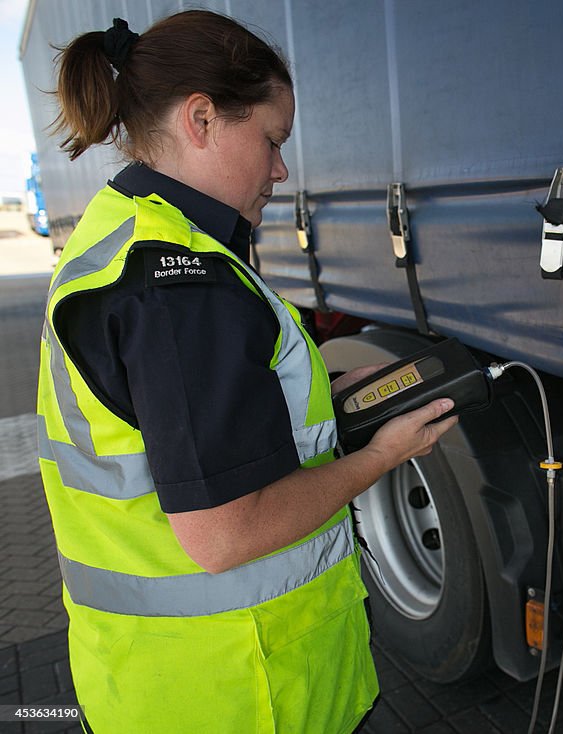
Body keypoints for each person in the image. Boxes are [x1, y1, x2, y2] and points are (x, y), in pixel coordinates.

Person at [37, 11, 457, 733]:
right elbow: (225, 535)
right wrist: (383, 457)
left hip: (163, 682)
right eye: (272, 140)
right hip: (243, 693)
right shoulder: (181, 287)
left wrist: (323, 396)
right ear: (201, 118)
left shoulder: (128, 235)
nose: (281, 169)